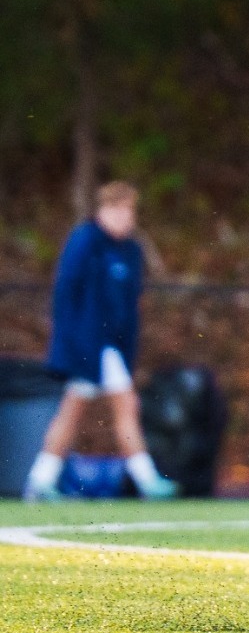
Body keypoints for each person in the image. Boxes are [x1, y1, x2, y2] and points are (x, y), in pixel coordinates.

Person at [24, 181, 177, 501]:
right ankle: (145, 479)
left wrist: (126, 349)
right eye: (120, 211)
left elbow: (129, 305)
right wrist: (73, 345)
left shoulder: (131, 251)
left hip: (111, 348)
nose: (126, 218)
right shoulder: (84, 241)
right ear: (104, 211)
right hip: (86, 346)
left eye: (130, 211)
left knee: (88, 408)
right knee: (116, 406)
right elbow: (66, 294)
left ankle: (41, 479)